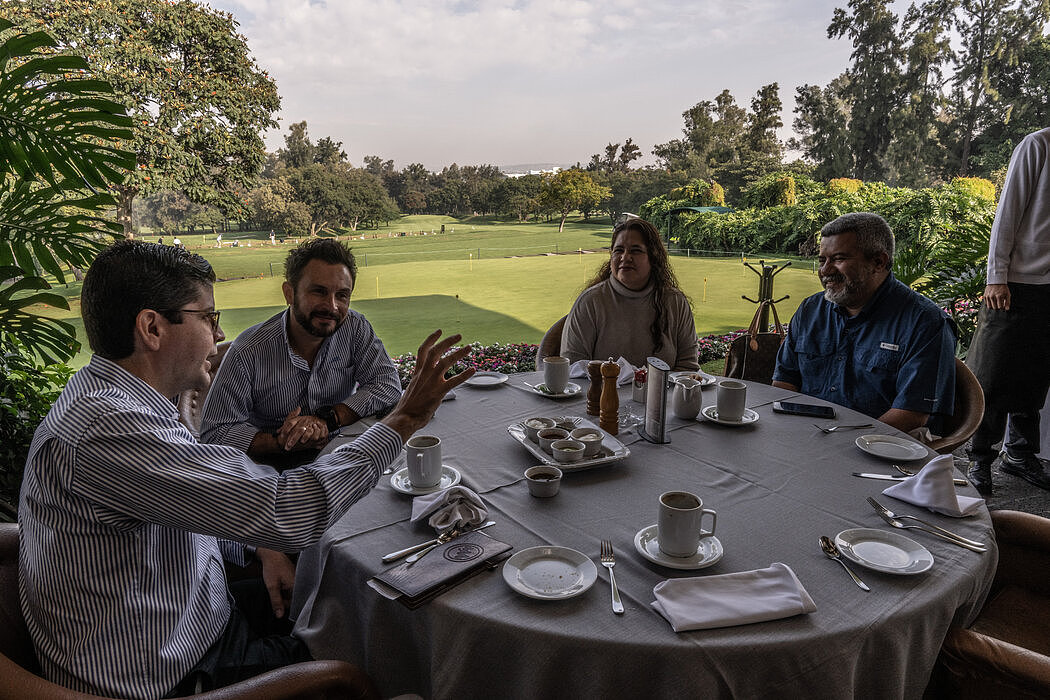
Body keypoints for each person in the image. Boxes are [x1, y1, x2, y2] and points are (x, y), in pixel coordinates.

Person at [17, 240, 473, 698]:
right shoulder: (111, 430)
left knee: (348, 602)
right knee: (379, 656)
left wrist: (260, 549)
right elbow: (289, 511)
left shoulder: (114, 402)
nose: (218, 336)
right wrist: (405, 420)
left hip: (196, 613)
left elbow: (201, 502)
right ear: (152, 327)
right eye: (208, 318)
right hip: (173, 672)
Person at [200, 239, 402, 468]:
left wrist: (328, 419)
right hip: (275, 472)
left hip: (343, 458)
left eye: (342, 295)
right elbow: (215, 433)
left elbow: (387, 384)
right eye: (319, 292)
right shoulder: (249, 351)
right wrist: (281, 442)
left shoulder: (354, 327)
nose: (332, 306)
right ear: (289, 293)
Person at [772, 212, 956, 436]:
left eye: (838, 259)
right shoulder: (811, 310)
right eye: (822, 260)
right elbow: (784, 381)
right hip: (807, 436)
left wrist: (842, 442)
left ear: (878, 262)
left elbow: (911, 413)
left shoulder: (925, 322)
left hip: (884, 448)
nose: (825, 270)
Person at [966, 128, 1050, 495]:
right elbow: (1007, 213)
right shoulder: (1038, 145)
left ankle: (1019, 454)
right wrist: (996, 277)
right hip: (1015, 282)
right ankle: (978, 457)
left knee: (1037, 373)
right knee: (993, 370)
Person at [560, 217, 699, 370]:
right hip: (602, 394)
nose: (625, 257)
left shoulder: (675, 303)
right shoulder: (590, 302)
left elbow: (688, 368)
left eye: (636, 251)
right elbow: (571, 368)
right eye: (618, 250)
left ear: (653, 258)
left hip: (662, 394)